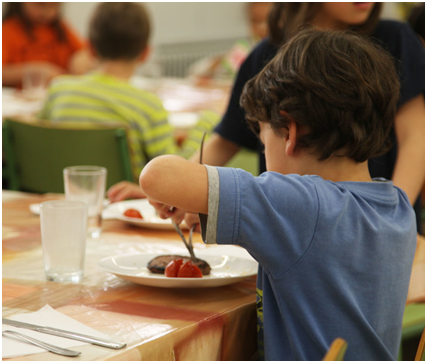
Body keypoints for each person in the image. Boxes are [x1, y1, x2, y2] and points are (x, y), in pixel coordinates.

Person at [139, 28, 417, 360]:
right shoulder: (396, 205)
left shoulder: (301, 206)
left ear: (290, 132)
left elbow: (156, 176)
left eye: (262, 135)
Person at [182, 2, 425, 234]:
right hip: (291, 228)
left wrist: (391, 220)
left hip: (374, 227)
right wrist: (180, 191)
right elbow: (227, 138)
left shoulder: (395, 39)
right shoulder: (268, 54)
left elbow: (416, 134)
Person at [38, 2, 219, 182]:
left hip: (57, 200)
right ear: (145, 53)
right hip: (126, 205)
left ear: (90, 48)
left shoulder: (58, 90)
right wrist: (208, 121)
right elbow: (176, 174)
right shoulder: (148, 106)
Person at [2, 2, 93, 87]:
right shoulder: (8, 31)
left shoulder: (61, 28)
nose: (47, 12)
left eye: (54, 6)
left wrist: (80, 59)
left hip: (59, 92)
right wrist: (32, 72)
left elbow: (84, 52)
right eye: (41, 4)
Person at [187, 2, 272, 82]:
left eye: (269, 21)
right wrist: (213, 68)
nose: (262, 28)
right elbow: (196, 71)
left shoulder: (280, 53)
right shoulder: (247, 48)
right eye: (255, 21)